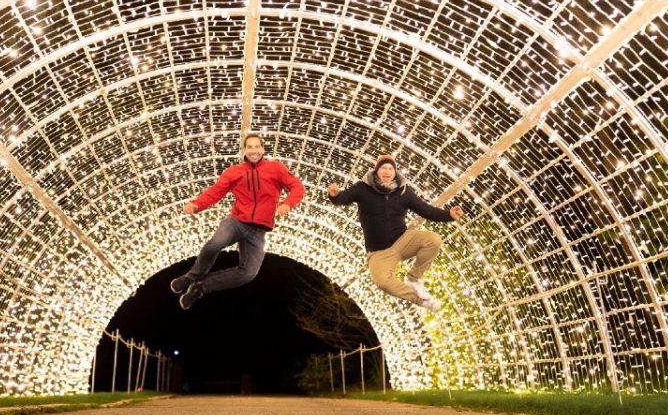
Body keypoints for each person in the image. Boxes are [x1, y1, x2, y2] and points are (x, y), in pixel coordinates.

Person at [171, 134, 305, 309]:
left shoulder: (276, 168)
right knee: (214, 244)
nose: (254, 150)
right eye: (250, 147)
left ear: (263, 149)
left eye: (257, 146)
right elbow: (215, 192)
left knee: (248, 273)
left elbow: (298, 187)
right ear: (244, 150)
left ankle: (201, 287)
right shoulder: (234, 171)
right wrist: (197, 204)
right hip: (236, 222)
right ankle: (191, 277)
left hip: (259, 231)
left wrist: (287, 203)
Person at [327, 155, 463, 312]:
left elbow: (425, 210)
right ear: (377, 171)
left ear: (395, 172)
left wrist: (448, 215)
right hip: (379, 252)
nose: (387, 171)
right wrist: (335, 195)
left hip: (403, 240)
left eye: (390, 168)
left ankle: (414, 278)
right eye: (383, 168)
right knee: (382, 282)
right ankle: (420, 300)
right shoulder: (362, 188)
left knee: (434, 240)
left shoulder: (404, 191)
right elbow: (343, 198)